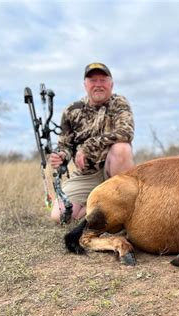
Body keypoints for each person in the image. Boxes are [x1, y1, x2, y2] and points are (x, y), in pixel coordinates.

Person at [49, 63, 134, 223]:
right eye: (93, 80)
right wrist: (61, 156)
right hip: (85, 175)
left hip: (112, 170)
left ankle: (123, 211)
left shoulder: (119, 103)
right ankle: (95, 207)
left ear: (111, 84)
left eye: (103, 80)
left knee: (122, 148)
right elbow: (65, 145)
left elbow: (126, 132)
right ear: (85, 85)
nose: (98, 85)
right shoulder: (72, 111)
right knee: (59, 216)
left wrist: (89, 147)